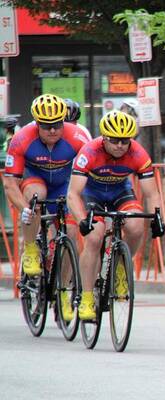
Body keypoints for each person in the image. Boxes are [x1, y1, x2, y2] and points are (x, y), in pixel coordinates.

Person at [67, 110, 165, 320]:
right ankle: (85, 297)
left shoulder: (138, 154)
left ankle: (121, 266)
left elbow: (152, 193)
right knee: (94, 236)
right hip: (91, 194)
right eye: (115, 140)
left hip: (120, 192)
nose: (120, 145)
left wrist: (158, 217)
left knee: (137, 225)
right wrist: (82, 220)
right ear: (104, 138)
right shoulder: (89, 152)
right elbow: (73, 194)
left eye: (124, 141)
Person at [4, 94, 89, 320]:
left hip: (64, 185)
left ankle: (63, 292)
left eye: (57, 125)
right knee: (35, 198)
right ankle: (31, 248)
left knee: (71, 232)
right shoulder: (21, 139)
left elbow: (92, 174)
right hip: (35, 180)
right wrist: (25, 209)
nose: (52, 130)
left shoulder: (79, 137)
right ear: (36, 123)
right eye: (46, 125)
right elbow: (10, 183)